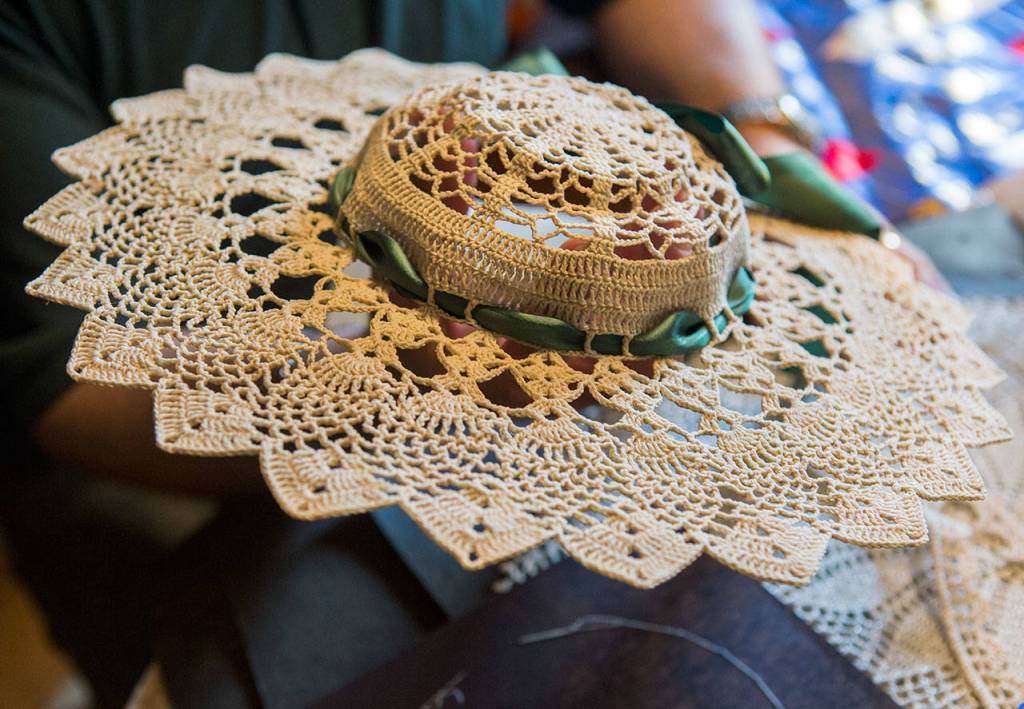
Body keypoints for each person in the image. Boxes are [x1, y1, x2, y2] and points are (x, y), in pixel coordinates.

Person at [0, 1, 940, 705]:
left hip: (544, 252)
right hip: (181, 406)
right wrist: (412, 384)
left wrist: (762, 140)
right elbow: (67, 383)